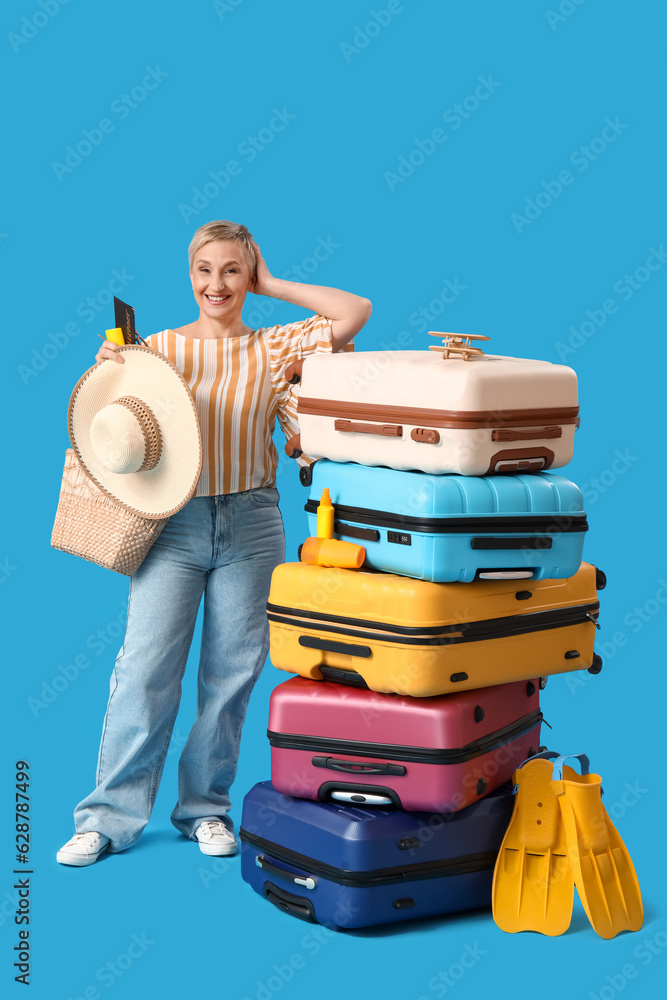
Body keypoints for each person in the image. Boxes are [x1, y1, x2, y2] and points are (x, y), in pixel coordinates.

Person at [56, 220, 371, 865]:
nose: (217, 284)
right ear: (189, 276)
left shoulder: (276, 347)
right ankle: (108, 818)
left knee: (232, 674)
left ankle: (205, 809)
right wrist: (109, 373)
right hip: (172, 523)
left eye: (232, 270)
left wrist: (275, 282)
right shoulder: (159, 348)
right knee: (145, 671)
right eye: (205, 270)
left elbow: (354, 311)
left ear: (248, 276)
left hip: (253, 523)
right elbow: (117, 420)